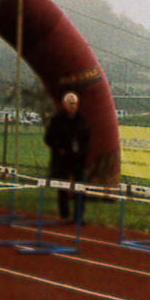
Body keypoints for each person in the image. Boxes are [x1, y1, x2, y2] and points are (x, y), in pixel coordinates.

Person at [43, 92, 91, 221]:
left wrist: (83, 151)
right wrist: (59, 149)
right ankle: (64, 215)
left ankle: (78, 216)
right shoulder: (57, 120)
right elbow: (48, 138)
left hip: (78, 159)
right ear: (65, 104)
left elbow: (87, 138)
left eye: (74, 103)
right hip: (62, 159)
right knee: (62, 187)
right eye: (70, 103)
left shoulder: (81, 120)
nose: (72, 105)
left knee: (80, 187)